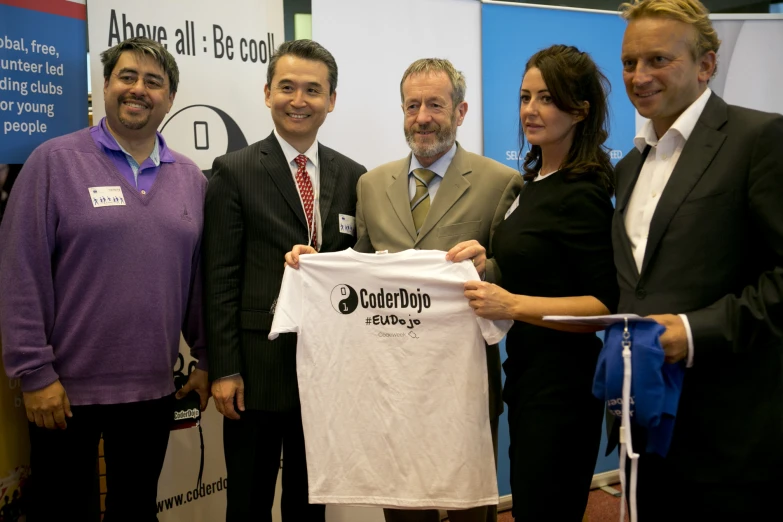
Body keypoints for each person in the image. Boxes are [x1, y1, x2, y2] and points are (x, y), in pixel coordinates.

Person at [287, 57, 523, 522]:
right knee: (401, 509)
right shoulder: (372, 185)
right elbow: (360, 268)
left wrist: (487, 267)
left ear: (461, 111)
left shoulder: (501, 183)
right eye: (412, 105)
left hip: (464, 385)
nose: (422, 118)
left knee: (470, 510)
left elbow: (515, 276)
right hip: (389, 385)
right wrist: (317, 267)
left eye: (435, 104)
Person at [0, 37, 209, 522]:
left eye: (153, 82)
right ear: (106, 85)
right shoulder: (53, 162)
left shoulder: (192, 179)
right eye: (127, 77)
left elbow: (197, 280)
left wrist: (205, 356)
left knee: (135, 513)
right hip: (62, 395)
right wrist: (34, 373)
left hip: (153, 393)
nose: (138, 89)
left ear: (170, 99)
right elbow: (19, 272)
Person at [609, 0, 783, 518]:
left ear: (707, 65)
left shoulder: (759, 139)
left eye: (659, 60)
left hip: (730, 432)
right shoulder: (629, 167)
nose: (639, 76)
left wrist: (692, 330)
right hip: (646, 426)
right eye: (629, 62)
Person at [203, 39, 366, 522]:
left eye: (313, 90)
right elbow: (219, 276)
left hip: (327, 368)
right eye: (288, 87)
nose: (299, 100)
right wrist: (225, 368)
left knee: (309, 502)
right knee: (249, 501)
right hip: (256, 369)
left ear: (331, 100)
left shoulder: (354, 176)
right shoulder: (233, 171)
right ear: (267, 93)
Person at [461, 45, 618, 521]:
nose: (530, 110)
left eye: (547, 98)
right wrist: (487, 259)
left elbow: (603, 307)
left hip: (565, 391)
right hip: (529, 378)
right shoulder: (537, 179)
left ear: (580, 109)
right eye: (526, 97)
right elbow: (542, 262)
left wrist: (510, 304)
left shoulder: (583, 190)